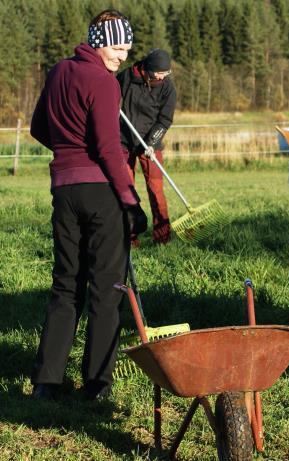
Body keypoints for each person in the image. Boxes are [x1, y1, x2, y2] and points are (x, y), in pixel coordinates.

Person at [29, 9, 147, 401]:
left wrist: (68, 156)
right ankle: (96, 384)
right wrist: (131, 200)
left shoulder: (59, 71)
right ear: (99, 42)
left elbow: (37, 128)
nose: (122, 57)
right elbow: (108, 149)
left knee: (65, 285)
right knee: (106, 289)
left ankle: (47, 381)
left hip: (63, 190)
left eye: (127, 49)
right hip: (100, 194)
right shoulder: (103, 81)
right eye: (117, 47)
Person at [118, 48, 177, 245]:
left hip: (150, 144)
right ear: (148, 68)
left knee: (156, 190)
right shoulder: (126, 77)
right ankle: (130, 238)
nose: (163, 76)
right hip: (123, 141)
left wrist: (151, 143)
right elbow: (110, 98)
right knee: (126, 191)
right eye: (160, 72)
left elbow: (165, 119)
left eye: (166, 73)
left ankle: (162, 239)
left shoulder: (167, 87)